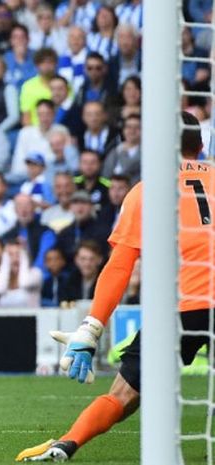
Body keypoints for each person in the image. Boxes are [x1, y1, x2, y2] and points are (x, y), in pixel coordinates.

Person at [16, 111, 214, 462]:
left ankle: (67, 442)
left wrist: (91, 328)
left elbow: (120, 266)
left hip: (179, 309)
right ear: (201, 146)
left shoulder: (145, 192)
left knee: (123, 394)